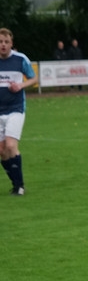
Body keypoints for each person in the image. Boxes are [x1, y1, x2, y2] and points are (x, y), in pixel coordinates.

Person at [0, 29, 37, 197]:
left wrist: (20, 85)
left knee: (10, 145)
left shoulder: (20, 59)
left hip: (16, 109)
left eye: (6, 42)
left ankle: (19, 186)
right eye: (0, 42)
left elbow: (34, 78)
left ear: (11, 44)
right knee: (2, 151)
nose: (3, 45)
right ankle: (15, 184)